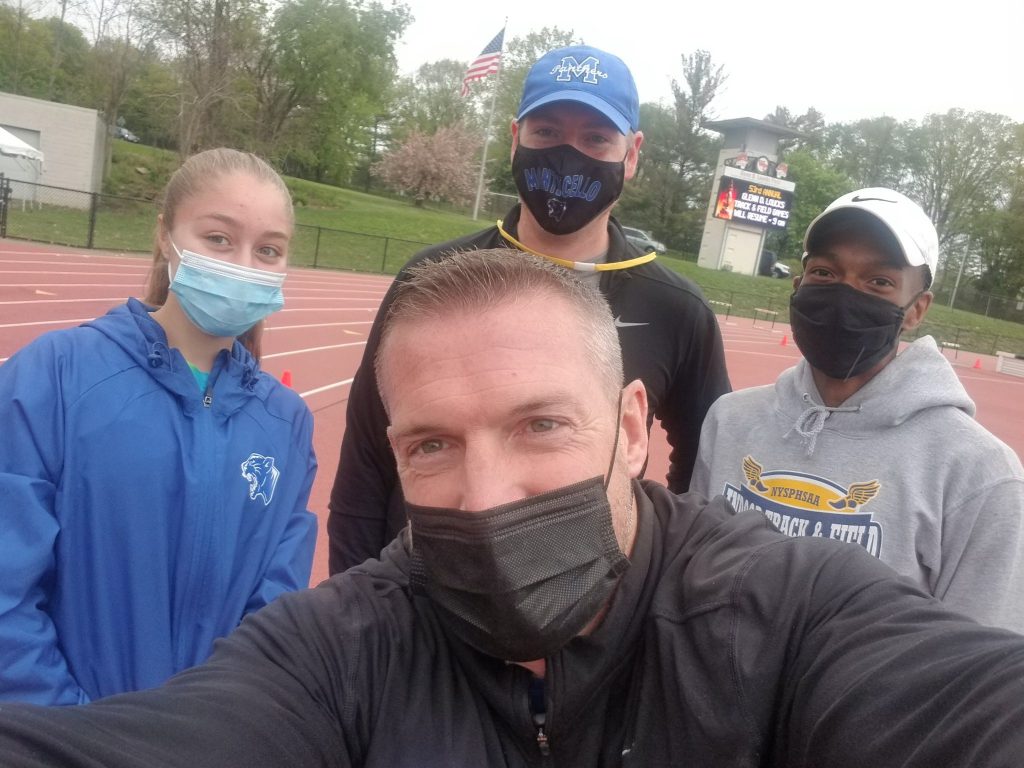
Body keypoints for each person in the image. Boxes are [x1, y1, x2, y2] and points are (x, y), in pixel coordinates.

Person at [4, 249, 1024, 766]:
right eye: (433, 445)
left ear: (633, 429)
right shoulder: (346, 645)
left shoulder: (784, 614)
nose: (486, 497)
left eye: (540, 426)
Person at [327, 44, 731, 573]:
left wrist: (649, 566)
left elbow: (705, 461)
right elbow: (367, 456)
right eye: (547, 133)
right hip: (425, 588)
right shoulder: (431, 279)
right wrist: (361, 607)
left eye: (595, 138)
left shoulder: (675, 308)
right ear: (516, 137)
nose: (568, 155)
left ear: (631, 154)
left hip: (590, 604)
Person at [0, 148, 318, 706]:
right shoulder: (55, 375)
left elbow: (277, 615)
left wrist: (212, 730)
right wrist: (82, 738)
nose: (243, 265)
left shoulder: (286, 425)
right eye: (219, 239)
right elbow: (8, 592)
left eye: (267, 250)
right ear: (164, 238)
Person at [691, 187, 1024, 631]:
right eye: (826, 272)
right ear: (799, 285)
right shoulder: (730, 420)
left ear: (916, 310)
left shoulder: (980, 475)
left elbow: (975, 671)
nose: (846, 296)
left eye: (879, 282)